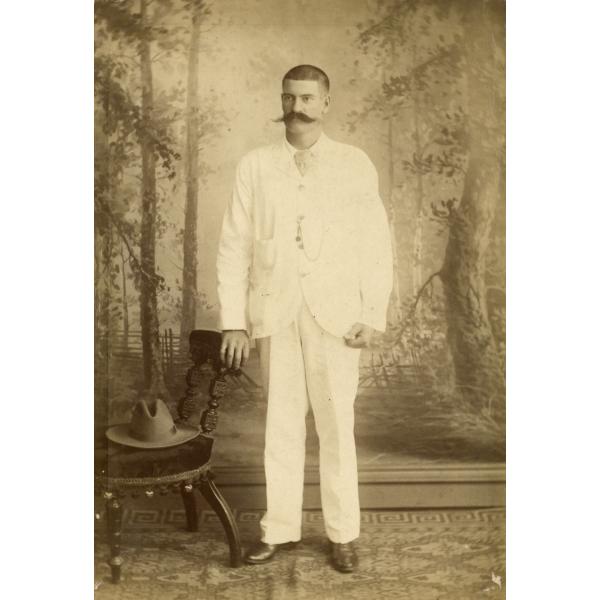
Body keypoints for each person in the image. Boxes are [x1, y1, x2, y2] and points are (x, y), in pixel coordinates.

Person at [216, 64, 393, 573]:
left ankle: (343, 534)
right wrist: (234, 321)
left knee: (338, 425)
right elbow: (234, 245)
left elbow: (376, 244)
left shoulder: (354, 164)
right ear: (281, 100)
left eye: (309, 98)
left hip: (337, 318)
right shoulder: (256, 164)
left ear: (326, 103)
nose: (298, 107)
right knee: (282, 425)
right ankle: (280, 529)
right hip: (276, 311)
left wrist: (372, 314)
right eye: (290, 97)